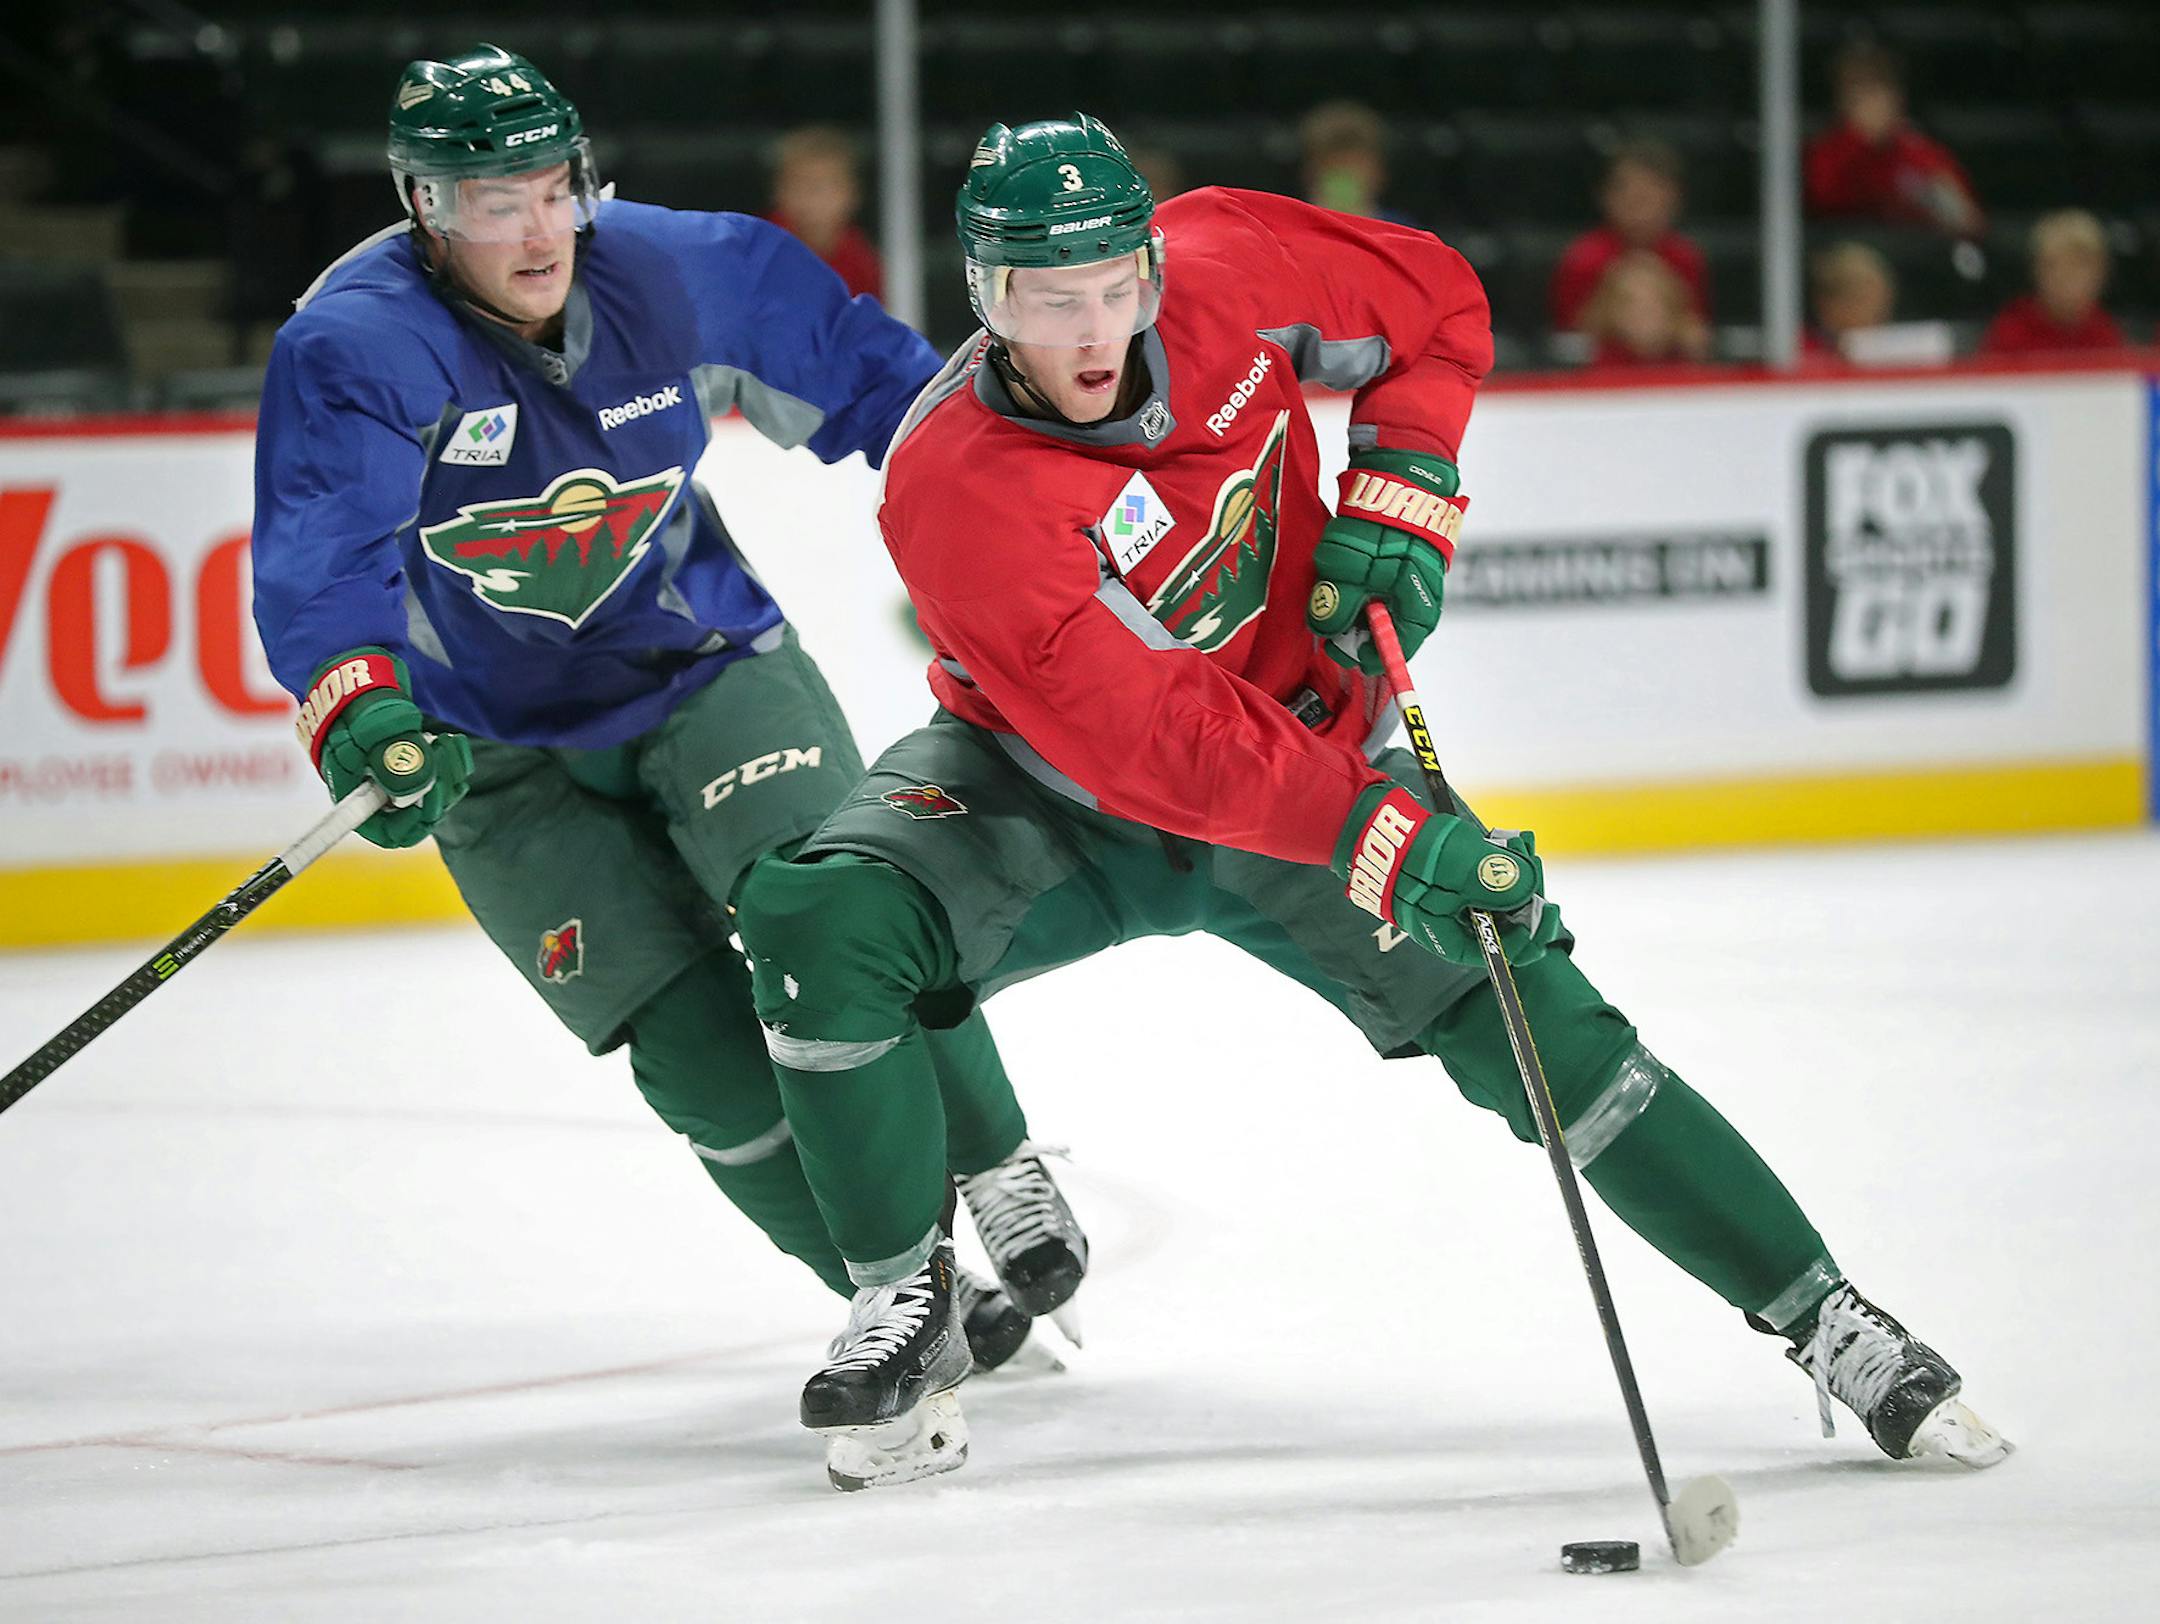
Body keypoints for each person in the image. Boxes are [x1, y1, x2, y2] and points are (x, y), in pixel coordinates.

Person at [732, 114, 2012, 1490]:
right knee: (822, 919)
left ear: (1155, 263)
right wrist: (1382, 837)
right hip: (1057, 800)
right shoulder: (954, 482)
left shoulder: (1233, 260)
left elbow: (1437, 305)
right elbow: (1153, 738)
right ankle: (901, 1308)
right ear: (987, 300)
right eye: (1052, 302)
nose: (1095, 333)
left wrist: (1407, 484)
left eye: (1116, 287)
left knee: (1541, 1016)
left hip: (1305, 753)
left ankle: (1829, 1318)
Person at [248, 47, 1088, 1473]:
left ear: (584, 181)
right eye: (479, 200)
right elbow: (322, 565)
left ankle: (995, 1160)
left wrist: (1039, 531)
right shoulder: (357, 346)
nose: (527, 232)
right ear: (417, 206)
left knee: (838, 902)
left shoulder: (684, 271)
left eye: (546, 191)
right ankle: (901, 1299)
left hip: (703, 661)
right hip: (495, 751)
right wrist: (363, 710)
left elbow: (897, 394)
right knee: (696, 1060)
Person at [1805, 43, 1981, 237]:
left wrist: (1931, 194)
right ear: (1841, 100)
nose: (1874, 103)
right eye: (1861, 91)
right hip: (1846, 243)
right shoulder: (1826, 152)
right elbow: (1825, 203)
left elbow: (1967, 220)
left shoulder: (1918, 151)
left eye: (1881, 89)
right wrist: (1865, 146)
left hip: (1912, 247)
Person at [1549, 138, 1709, 336]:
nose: (1640, 209)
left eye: (1648, 197)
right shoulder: (1584, 259)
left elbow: (1696, 332)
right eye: (1631, 197)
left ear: (1674, 199)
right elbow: (1570, 338)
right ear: (1606, 197)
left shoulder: (1685, 258)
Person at [1980, 209, 2127, 357]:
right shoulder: (2010, 333)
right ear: (2037, 271)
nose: (2065, 277)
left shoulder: (2105, 333)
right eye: (2053, 266)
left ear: (2101, 273)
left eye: (2079, 266)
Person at [766, 125, 882, 301]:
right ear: (778, 191)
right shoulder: (758, 245)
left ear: (851, 194)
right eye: (798, 185)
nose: (810, 198)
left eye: (821, 188)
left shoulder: (862, 262)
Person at [1578, 250, 1710, 368]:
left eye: (1654, 303)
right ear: (1609, 311)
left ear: (1673, 308)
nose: (1642, 312)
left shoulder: (1691, 363)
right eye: (1628, 303)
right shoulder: (1593, 365)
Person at [1299, 100, 1416, 226]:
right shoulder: (1291, 226)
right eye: (1332, 163)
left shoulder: (1403, 231)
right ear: (1309, 174)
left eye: (1357, 163)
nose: (1345, 170)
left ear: (1380, 174)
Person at [1807, 240, 1898, 359]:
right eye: (1866, 301)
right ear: (1830, 305)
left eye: (1884, 302)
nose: (1881, 314)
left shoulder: (1891, 354)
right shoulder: (1795, 355)